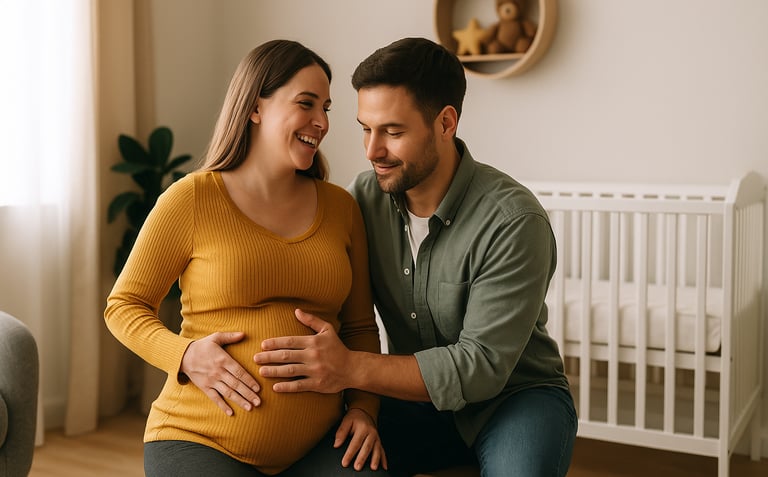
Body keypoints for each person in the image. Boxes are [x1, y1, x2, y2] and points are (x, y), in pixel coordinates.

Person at [253, 37, 578, 477]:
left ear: (445, 123)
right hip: (408, 400)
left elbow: (480, 368)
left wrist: (350, 368)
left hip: (515, 398)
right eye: (365, 129)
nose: (372, 151)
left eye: (392, 131)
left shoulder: (513, 221)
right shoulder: (362, 200)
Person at [104, 39, 388, 476]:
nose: (321, 122)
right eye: (306, 103)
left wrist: (364, 410)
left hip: (324, 443)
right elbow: (123, 308)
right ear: (256, 107)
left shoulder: (341, 208)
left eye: (326, 108)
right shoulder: (192, 198)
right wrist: (185, 355)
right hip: (199, 437)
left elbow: (359, 327)